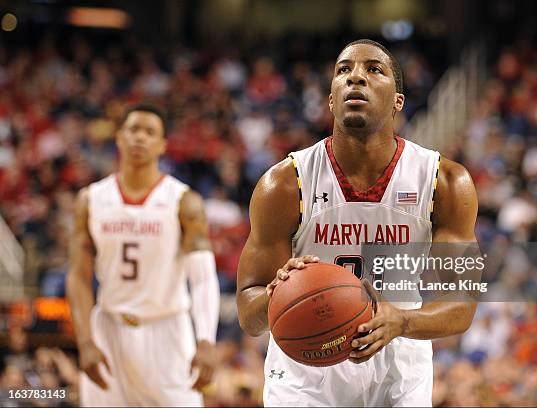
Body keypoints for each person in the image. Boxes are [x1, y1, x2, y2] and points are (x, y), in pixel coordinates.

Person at [236, 39, 478, 406]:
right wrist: (277, 292)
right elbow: (248, 315)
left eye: (373, 69)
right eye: (344, 70)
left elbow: (462, 306)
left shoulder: (445, 181)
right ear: (331, 99)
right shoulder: (284, 183)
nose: (356, 78)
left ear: (398, 101)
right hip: (306, 370)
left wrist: (402, 321)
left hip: (399, 362)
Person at [67, 104, 220, 406]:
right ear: (119, 138)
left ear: (162, 145)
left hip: (168, 331)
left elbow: (202, 278)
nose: (140, 137)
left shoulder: (183, 201)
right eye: (133, 129)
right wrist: (84, 340)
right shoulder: (91, 200)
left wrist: (206, 340)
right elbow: (78, 276)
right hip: (109, 328)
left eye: (149, 132)